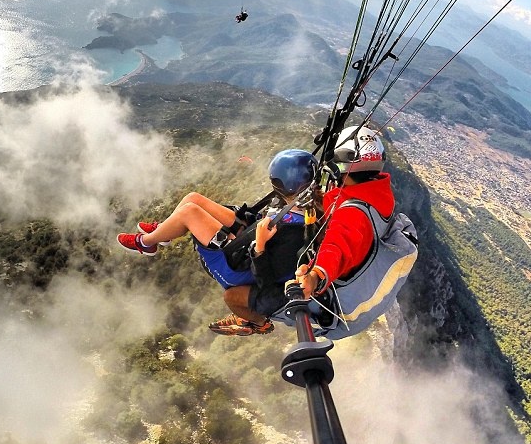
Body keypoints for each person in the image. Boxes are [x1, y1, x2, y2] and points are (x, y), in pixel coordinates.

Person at [117, 149, 318, 336]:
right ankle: (165, 231)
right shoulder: (300, 204)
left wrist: (260, 245)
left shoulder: (295, 233)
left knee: (189, 213)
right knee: (193, 198)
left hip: (238, 265)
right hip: (251, 237)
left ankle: (146, 243)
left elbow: (267, 280)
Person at [294, 125, 394, 301]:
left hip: (338, 285)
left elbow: (338, 246)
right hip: (361, 260)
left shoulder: (352, 213)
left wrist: (315, 275)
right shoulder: (380, 194)